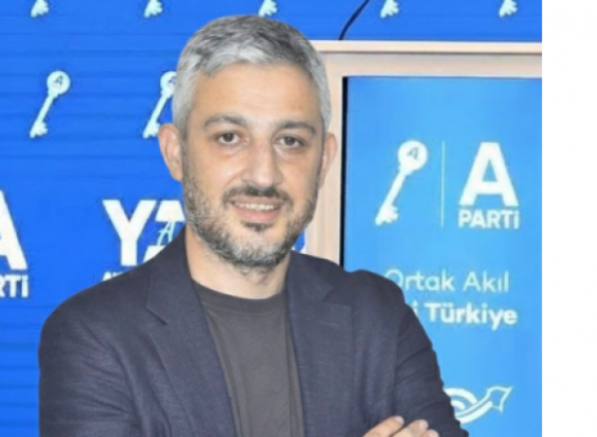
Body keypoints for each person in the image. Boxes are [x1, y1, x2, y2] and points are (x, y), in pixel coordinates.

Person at [38, 14, 467, 437]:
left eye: (290, 141)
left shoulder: (376, 316)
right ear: (175, 153)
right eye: (230, 137)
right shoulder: (96, 334)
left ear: (323, 161)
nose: (263, 175)